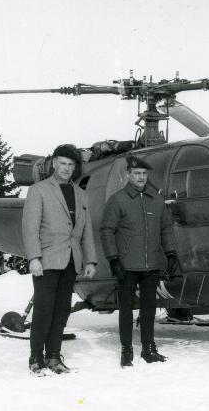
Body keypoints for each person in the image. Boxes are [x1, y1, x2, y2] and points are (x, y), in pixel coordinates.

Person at [22, 144, 97, 375]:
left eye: (71, 165)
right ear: (54, 163)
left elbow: (86, 231)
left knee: (62, 310)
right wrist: (34, 257)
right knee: (44, 310)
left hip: (71, 260)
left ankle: (54, 356)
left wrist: (91, 261)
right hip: (46, 259)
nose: (66, 169)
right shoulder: (39, 190)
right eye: (63, 163)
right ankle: (36, 358)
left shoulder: (81, 194)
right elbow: (29, 228)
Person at [100, 155, 180, 367]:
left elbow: (165, 229)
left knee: (149, 309)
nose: (141, 177)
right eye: (137, 174)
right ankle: (126, 349)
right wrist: (113, 258)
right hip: (126, 265)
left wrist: (171, 253)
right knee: (126, 309)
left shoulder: (156, 200)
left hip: (151, 264)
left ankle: (148, 348)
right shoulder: (118, 200)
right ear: (128, 175)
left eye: (144, 174)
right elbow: (107, 230)